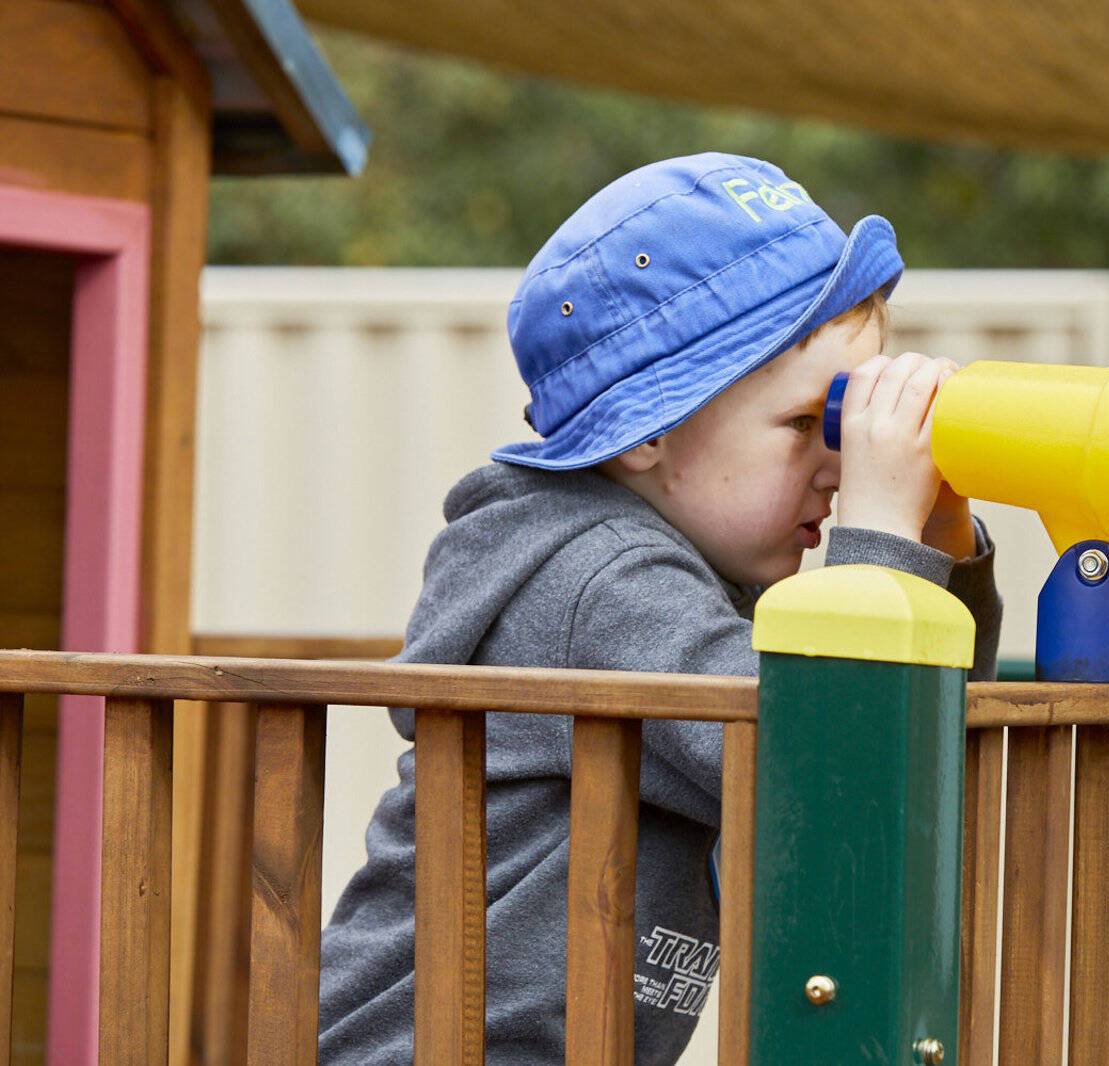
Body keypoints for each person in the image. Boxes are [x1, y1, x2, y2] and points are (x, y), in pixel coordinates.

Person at [317, 152, 1002, 1064]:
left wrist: (938, 526)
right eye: (809, 426)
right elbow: (833, 772)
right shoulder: (597, 576)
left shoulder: (696, 575)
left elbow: (910, 745)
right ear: (647, 429)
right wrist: (878, 532)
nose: (841, 467)